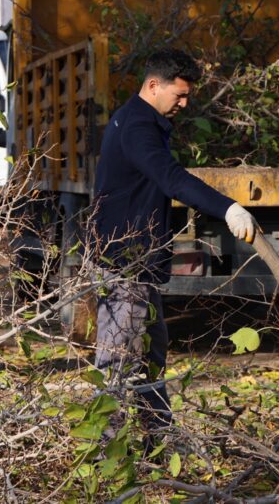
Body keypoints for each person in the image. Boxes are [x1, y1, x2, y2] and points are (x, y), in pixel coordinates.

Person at [91, 49, 258, 435]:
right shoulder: (136, 127)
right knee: (117, 365)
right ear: (153, 86)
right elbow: (172, 178)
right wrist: (228, 208)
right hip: (123, 266)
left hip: (136, 265)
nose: (184, 104)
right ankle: (104, 459)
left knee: (151, 358)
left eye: (187, 97)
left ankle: (157, 444)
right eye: (179, 96)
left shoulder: (142, 122)